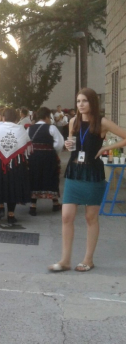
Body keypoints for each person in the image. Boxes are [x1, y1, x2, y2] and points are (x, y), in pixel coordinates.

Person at [49, 88, 126, 272]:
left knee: (91, 217)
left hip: (93, 173)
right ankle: (65, 260)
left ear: (92, 102)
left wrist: (104, 149)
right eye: (78, 101)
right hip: (74, 172)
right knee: (66, 216)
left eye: (84, 101)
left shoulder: (102, 122)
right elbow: (71, 143)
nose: (80, 104)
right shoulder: (73, 121)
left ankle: (88, 259)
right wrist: (68, 144)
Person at [0, 108, 32, 223]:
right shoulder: (21, 129)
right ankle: (11, 214)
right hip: (16, 163)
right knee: (13, 186)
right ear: (16, 118)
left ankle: (0, 207)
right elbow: (28, 147)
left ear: (4, 117)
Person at [27, 107, 64, 216]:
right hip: (48, 157)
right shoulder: (51, 128)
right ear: (47, 117)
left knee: (34, 178)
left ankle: (33, 206)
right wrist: (53, 152)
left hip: (33, 157)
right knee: (51, 177)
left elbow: (26, 142)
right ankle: (55, 203)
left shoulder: (30, 128)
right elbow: (59, 143)